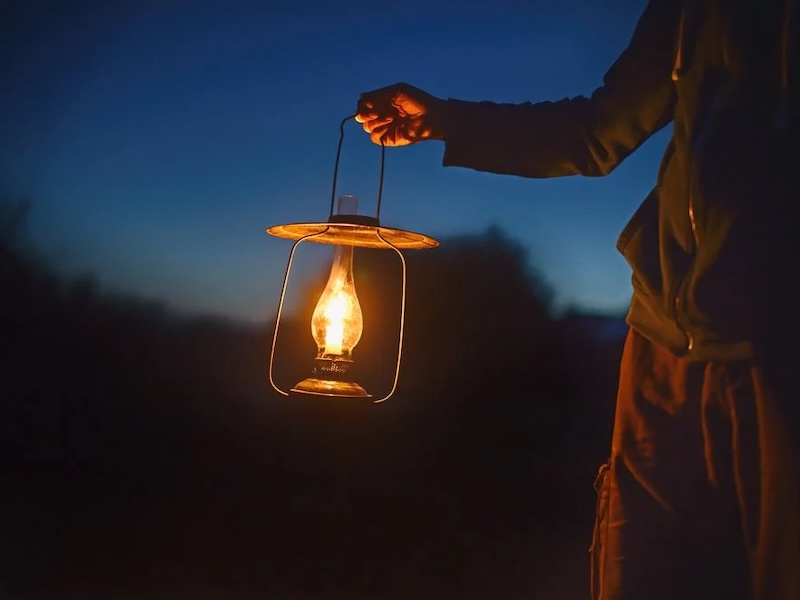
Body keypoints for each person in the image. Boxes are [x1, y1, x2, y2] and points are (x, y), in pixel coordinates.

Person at [355, 1, 800, 599]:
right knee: (640, 569)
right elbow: (596, 131)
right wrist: (447, 120)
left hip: (779, 350)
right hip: (663, 336)